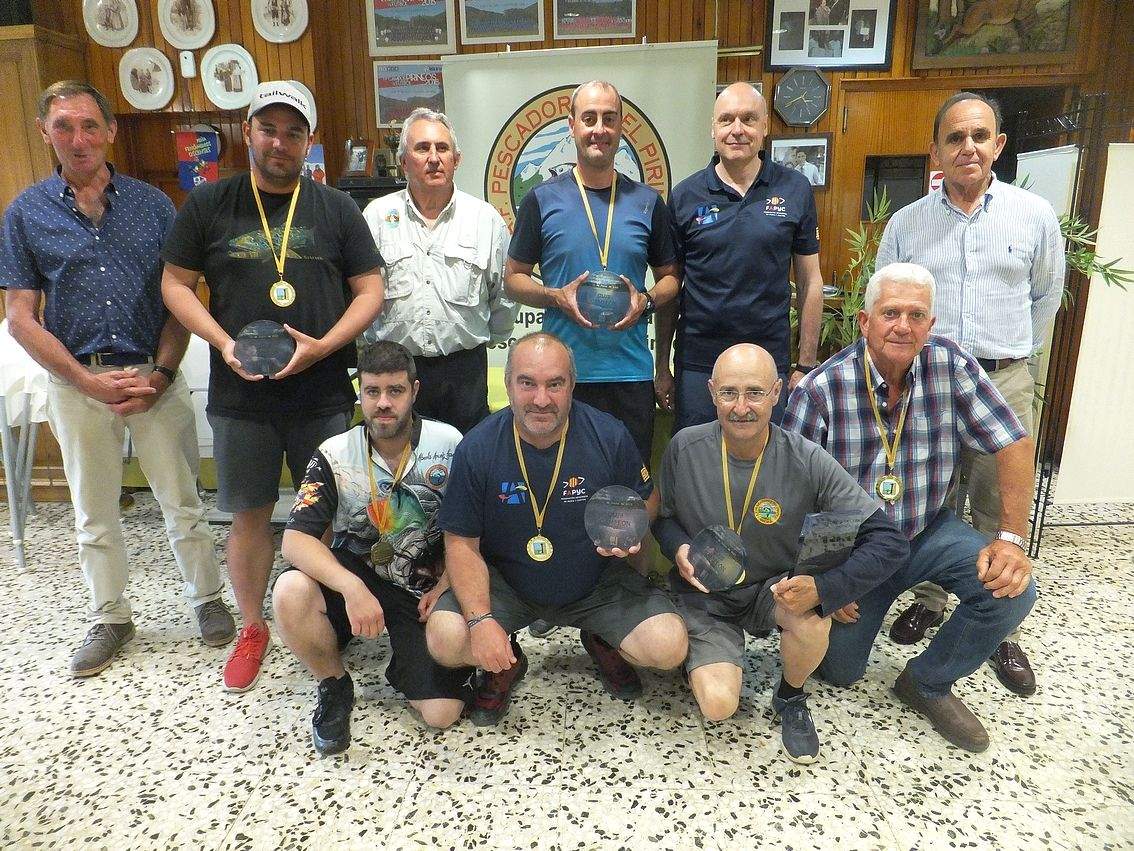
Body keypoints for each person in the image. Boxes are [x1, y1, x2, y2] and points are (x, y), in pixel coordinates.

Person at [0, 81, 233, 676]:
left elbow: (181, 297)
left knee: (182, 498)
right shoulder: (26, 214)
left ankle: (207, 599)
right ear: (45, 134)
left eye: (87, 126)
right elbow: (21, 318)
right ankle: (110, 615)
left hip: (153, 377)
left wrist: (160, 371)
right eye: (63, 127)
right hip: (79, 382)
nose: (77, 139)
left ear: (109, 132)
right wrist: (85, 381)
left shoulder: (154, 206)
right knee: (93, 511)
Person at [161, 81, 384, 693]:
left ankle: (327, 615)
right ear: (248, 132)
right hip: (241, 396)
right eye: (268, 128)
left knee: (331, 516)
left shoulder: (336, 208)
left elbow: (371, 290)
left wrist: (325, 347)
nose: (279, 142)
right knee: (249, 516)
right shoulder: (210, 203)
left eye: (293, 131)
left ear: (309, 140)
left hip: (321, 393)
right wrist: (222, 343)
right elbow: (175, 285)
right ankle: (254, 627)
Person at [783, 262, 1037, 753]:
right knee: (838, 672)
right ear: (864, 321)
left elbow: (1014, 444)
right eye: (890, 313)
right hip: (856, 551)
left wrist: (1010, 540)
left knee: (1012, 590)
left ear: (931, 325)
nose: (903, 325)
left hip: (926, 530)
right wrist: (827, 575)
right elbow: (791, 493)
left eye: (916, 315)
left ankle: (927, 681)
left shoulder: (951, 364)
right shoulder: (820, 390)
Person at [875, 92, 1064, 696]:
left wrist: (1008, 358)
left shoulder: (1033, 216)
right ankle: (932, 601)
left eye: (980, 136)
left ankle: (995, 625)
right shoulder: (908, 224)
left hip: (1004, 375)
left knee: (995, 499)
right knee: (933, 498)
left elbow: (1047, 298)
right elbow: (883, 302)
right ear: (935, 149)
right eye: (955, 137)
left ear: (998, 146)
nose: (968, 147)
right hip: (928, 383)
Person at [654, 344, 906, 762]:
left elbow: (888, 541)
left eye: (754, 393)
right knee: (719, 707)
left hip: (772, 588)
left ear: (776, 393)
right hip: (703, 595)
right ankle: (704, 655)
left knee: (812, 622)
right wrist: (678, 546)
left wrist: (827, 588)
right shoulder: (684, 447)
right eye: (729, 393)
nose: (741, 408)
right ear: (711, 392)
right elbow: (663, 519)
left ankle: (791, 695)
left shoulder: (806, 458)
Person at [425, 332, 688, 724]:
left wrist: (630, 527)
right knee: (445, 638)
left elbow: (647, 500)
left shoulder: (608, 434)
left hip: (596, 584)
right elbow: (461, 543)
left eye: (555, 384)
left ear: (572, 386)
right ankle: (506, 660)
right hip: (508, 585)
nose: (541, 399)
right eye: (527, 383)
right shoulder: (477, 447)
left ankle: (601, 638)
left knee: (669, 646)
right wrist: (480, 621)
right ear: (508, 384)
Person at [273, 341, 470, 755]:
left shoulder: (449, 443)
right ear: (359, 393)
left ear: (414, 391)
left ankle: (405, 661)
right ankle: (334, 683)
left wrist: (449, 584)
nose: (383, 403)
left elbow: (472, 530)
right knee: (289, 591)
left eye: (395, 391)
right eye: (372, 391)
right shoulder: (334, 452)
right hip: (357, 570)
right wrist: (351, 588)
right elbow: (295, 539)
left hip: (421, 582)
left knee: (442, 714)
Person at [505, 80, 680, 466]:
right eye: (589, 118)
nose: (599, 128)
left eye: (608, 118)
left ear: (621, 127)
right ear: (572, 126)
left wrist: (646, 300)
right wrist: (554, 296)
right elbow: (513, 278)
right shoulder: (541, 199)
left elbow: (672, 278)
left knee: (628, 493)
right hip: (561, 380)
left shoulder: (648, 202)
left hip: (629, 374)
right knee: (565, 488)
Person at [658, 83, 823, 433]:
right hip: (700, 363)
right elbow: (671, 287)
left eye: (748, 119)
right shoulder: (685, 195)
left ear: (765, 127)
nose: (737, 130)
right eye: (726, 119)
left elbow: (811, 281)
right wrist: (663, 367)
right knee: (697, 466)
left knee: (767, 469)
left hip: (769, 362)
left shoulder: (795, 189)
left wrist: (806, 364)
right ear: (713, 129)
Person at [362, 107, 516, 435]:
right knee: (397, 470)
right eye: (422, 148)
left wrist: (487, 339)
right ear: (404, 161)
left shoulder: (485, 220)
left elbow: (504, 298)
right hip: (394, 372)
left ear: (456, 160)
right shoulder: (376, 217)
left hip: (464, 373)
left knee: (465, 468)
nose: (434, 157)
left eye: (443, 148)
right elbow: (360, 293)